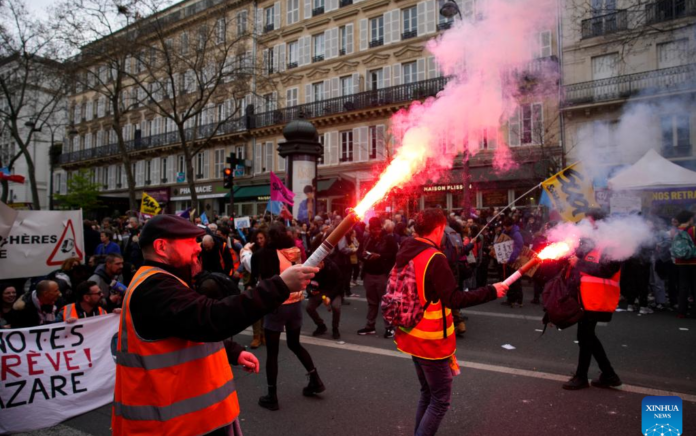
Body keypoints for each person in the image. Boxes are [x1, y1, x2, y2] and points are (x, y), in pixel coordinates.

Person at [111, 214, 317, 436]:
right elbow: (212, 318)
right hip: (171, 428)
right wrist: (280, 286)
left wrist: (230, 351)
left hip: (195, 422)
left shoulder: (166, 281)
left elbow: (185, 330)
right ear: (162, 246)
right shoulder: (154, 288)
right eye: (190, 241)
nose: (198, 247)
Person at [392, 209, 509, 436]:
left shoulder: (406, 249)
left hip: (411, 333)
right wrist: (491, 291)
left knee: (428, 393)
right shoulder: (434, 257)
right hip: (431, 340)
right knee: (440, 400)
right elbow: (454, 298)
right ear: (438, 229)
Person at [250, 223, 324, 411]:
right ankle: (315, 379)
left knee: (272, 353)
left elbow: (255, 275)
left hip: (276, 305)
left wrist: (247, 251)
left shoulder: (263, 254)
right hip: (295, 304)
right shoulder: (295, 252)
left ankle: (272, 395)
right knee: (294, 344)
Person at [563, 209, 623, 391]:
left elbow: (606, 270)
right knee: (587, 337)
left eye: (589, 222)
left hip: (598, 299)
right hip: (588, 298)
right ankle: (609, 375)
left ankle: (582, 377)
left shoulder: (613, 244)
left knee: (585, 336)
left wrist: (578, 263)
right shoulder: (594, 242)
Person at [358, 217, 398, 337]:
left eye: (377, 229)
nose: (375, 232)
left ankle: (389, 327)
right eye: (373, 229)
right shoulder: (366, 238)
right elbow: (359, 252)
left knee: (385, 302)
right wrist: (364, 255)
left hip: (383, 275)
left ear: (381, 227)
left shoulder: (389, 238)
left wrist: (380, 256)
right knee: (372, 302)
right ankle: (370, 326)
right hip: (369, 274)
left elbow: (394, 255)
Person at [305, 257, 344, 339]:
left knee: (336, 307)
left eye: (318, 266)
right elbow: (307, 282)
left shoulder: (332, 266)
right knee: (309, 308)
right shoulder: (312, 268)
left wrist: (330, 297)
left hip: (334, 291)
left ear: (322, 262)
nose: (316, 268)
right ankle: (321, 325)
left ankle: (335, 328)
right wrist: (310, 290)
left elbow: (340, 282)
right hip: (320, 291)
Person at [674, 210, 696, 319]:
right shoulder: (693, 229)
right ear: (689, 219)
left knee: (683, 286)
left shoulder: (676, 231)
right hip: (693, 261)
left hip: (680, 262)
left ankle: (681, 312)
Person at [500, 217, 524, 307]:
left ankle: (518, 300)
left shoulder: (516, 234)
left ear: (510, 226)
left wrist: (511, 258)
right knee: (509, 280)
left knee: (516, 281)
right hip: (508, 259)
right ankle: (510, 299)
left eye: (506, 227)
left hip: (514, 260)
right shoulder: (506, 232)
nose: (504, 228)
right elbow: (501, 241)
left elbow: (519, 246)